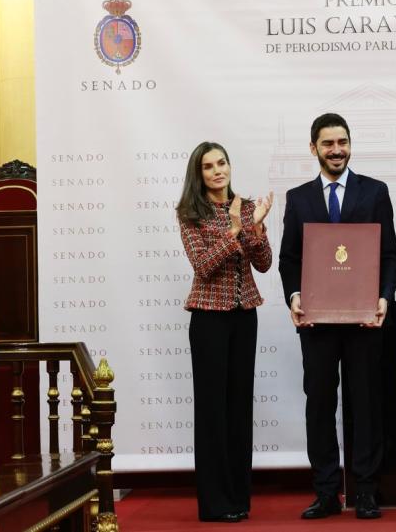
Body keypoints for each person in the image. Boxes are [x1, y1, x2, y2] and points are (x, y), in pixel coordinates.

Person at [278, 113, 396, 520]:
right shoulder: (298, 199)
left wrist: (384, 297)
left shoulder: (375, 192)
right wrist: (294, 296)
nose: (337, 150)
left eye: (343, 142)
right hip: (317, 323)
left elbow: (389, 256)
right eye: (328, 144)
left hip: (366, 320)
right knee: (320, 406)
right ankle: (327, 492)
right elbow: (289, 259)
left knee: (366, 405)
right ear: (313, 148)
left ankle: (365, 491)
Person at [177, 141, 273, 523]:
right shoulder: (190, 213)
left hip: (243, 314)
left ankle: (238, 498)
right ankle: (215, 503)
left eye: (222, 163)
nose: (217, 171)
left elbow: (263, 264)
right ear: (198, 174)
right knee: (213, 409)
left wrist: (256, 229)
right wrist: (234, 230)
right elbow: (202, 266)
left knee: (238, 407)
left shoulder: (248, 206)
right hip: (208, 319)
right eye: (208, 166)